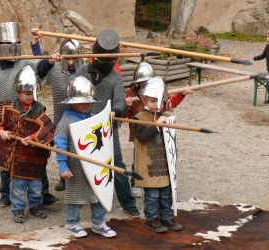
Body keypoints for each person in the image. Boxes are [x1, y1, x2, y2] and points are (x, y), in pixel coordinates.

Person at [0, 22, 61, 207]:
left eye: (15, 42)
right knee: (7, 156)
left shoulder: (24, 62)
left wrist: (50, 61)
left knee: (36, 153)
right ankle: (5, 194)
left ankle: (43, 193)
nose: (11, 47)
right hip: (6, 115)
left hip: (29, 112)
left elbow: (40, 69)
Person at [75, 29, 140, 219]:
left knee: (117, 164)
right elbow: (74, 97)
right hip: (85, 125)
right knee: (82, 164)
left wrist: (114, 112)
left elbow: (120, 101)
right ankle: (81, 203)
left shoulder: (114, 77)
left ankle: (128, 203)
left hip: (107, 127)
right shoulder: (82, 72)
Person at [0, 66, 56, 223]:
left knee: (36, 186)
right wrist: (1, 132)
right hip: (15, 156)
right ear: (17, 92)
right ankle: (18, 209)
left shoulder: (39, 109)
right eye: (26, 93)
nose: (30, 96)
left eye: (33, 93)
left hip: (33, 156)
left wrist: (32, 137)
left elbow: (48, 128)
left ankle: (35, 206)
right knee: (17, 186)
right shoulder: (8, 107)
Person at [55, 76, 117, 238]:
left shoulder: (93, 119)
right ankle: (73, 224)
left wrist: (108, 120)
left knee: (98, 195)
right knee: (76, 197)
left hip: (95, 166)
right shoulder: (65, 121)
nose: (86, 104)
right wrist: (63, 167)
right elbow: (60, 147)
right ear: (71, 101)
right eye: (81, 100)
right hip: (76, 168)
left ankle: (98, 223)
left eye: (88, 101)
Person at [125, 62, 192, 198]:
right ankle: (136, 182)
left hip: (157, 130)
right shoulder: (130, 94)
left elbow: (170, 104)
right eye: (142, 82)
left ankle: (160, 182)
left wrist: (182, 94)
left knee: (157, 157)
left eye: (147, 81)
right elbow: (124, 115)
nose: (145, 84)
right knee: (138, 158)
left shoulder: (158, 93)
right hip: (140, 131)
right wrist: (126, 105)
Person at [30, 28, 84, 191]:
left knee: (80, 146)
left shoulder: (86, 71)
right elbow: (39, 65)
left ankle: (80, 177)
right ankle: (63, 177)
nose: (70, 62)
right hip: (62, 115)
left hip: (80, 115)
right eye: (67, 58)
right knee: (63, 145)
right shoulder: (55, 70)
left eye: (74, 58)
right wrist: (35, 43)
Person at [133, 77, 182, 233]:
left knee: (166, 193)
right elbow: (141, 136)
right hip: (148, 164)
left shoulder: (165, 116)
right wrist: (157, 125)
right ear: (145, 100)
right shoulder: (139, 118)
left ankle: (166, 217)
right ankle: (152, 220)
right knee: (152, 195)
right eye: (153, 101)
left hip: (164, 162)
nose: (156, 105)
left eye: (159, 101)